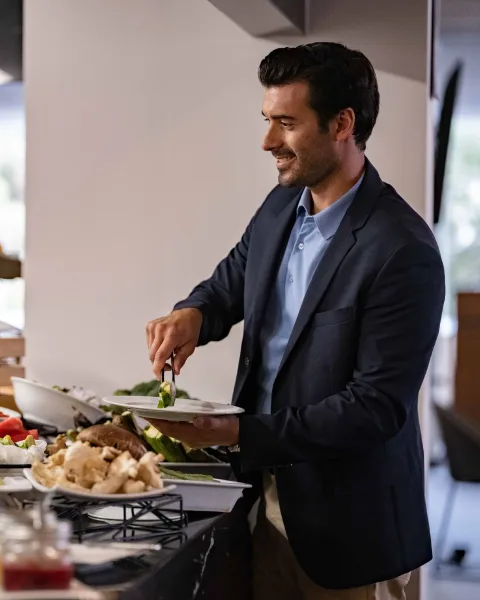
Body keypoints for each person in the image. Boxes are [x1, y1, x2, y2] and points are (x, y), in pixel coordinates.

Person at [145, 42, 444, 600]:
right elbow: (232, 281)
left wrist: (241, 433)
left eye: (286, 123)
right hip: (262, 498)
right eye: (267, 120)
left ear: (342, 124)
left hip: (349, 532)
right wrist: (193, 314)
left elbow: (375, 407)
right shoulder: (281, 205)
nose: (267, 141)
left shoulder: (403, 250)